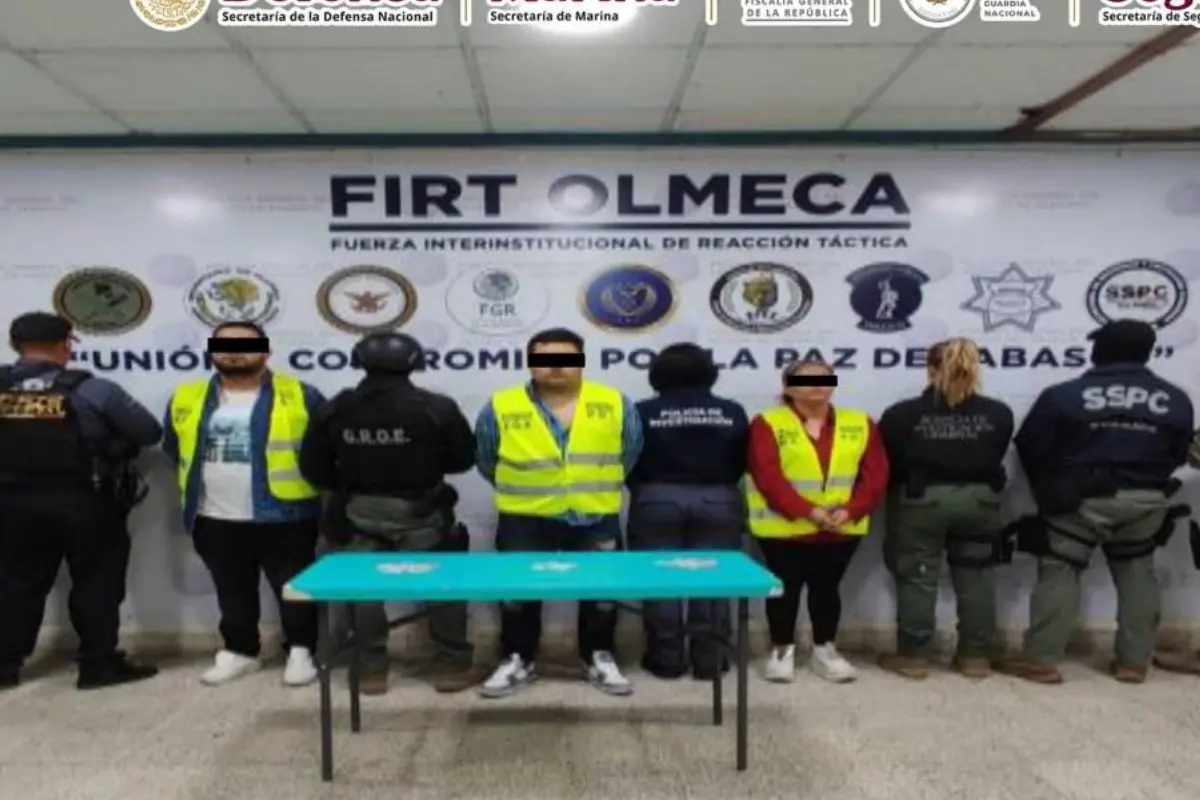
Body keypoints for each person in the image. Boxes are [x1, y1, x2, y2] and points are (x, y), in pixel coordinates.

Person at [1001, 320, 1194, 685]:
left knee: (1059, 571)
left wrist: (1050, 488)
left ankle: (1041, 659)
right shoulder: (1176, 400)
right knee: (1138, 573)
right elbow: (1177, 453)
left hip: (1078, 501)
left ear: (1102, 350)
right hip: (1146, 501)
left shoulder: (1064, 395)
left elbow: (1030, 445)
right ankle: (1133, 663)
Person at [298, 331, 478, 695]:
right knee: (444, 584)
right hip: (424, 513)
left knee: (363, 591)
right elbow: (462, 459)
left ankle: (370, 670)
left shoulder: (335, 409)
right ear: (414, 363)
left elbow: (314, 469)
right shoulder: (437, 407)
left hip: (357, 512)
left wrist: (355, 483)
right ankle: (452, 665)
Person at [475, 327, 643, 699]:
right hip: (524, 516)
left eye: (565, 358)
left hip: (595, 514)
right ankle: (518, 658)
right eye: (544, 359)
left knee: (601, 592)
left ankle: (598, 656)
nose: (555, 366)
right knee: (517, 592)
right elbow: (487, 458)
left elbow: (629, 453)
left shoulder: (615, 402)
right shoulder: (501, 405)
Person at [0, 311, 161, 690]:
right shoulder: (93, 390)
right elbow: (149, 432)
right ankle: (97, 665)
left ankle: (5, 665)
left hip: (11, 503)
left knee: (14, 583)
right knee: (97, 582)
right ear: (65, 345)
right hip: (85, 501)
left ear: (14, 345)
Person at [162, 322, 325, 688]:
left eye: (245, 345)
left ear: (266, 351)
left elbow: (325, 451)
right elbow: (174, 449)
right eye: (225, 345)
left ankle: (301, 651)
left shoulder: (301, 394)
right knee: (231, 588)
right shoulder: (187, 396)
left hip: (286, 516)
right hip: (213, 515)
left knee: (294, 589)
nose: (234, 352)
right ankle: (241, 651)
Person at [876, 338, 1015, 680]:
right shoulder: (999, 413)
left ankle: (913, 656)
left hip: (922, 501)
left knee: (918, 575)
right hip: (981, 501)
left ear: (930, 370)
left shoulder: (901, 415)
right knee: (977, 577)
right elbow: (996, 452)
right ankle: (975, 657)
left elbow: (888, 461)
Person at [746, 358, 888, 684]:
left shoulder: (860, 422)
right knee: (784, 590)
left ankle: (825, 650)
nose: (817, 385)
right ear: (787, 387)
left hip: (841, 528)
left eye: (825, 378)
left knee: (826, 589)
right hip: (784, 529)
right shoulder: (767, 423)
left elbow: (875, 475)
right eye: (806, 379)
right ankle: (782, 650)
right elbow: (767, 476)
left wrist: (851, 510)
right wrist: (809, 511)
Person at [627, 343, 749, 680]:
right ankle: (710, 660)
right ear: (709, 372)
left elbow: (627, 460)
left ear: (657, 373)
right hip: (718, 498)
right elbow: (742, 461)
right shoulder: (732, 411)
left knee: (660, 580)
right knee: (712, 582)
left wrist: (646, 490)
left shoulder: (641, 411)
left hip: (656, 498)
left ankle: (666, 659)